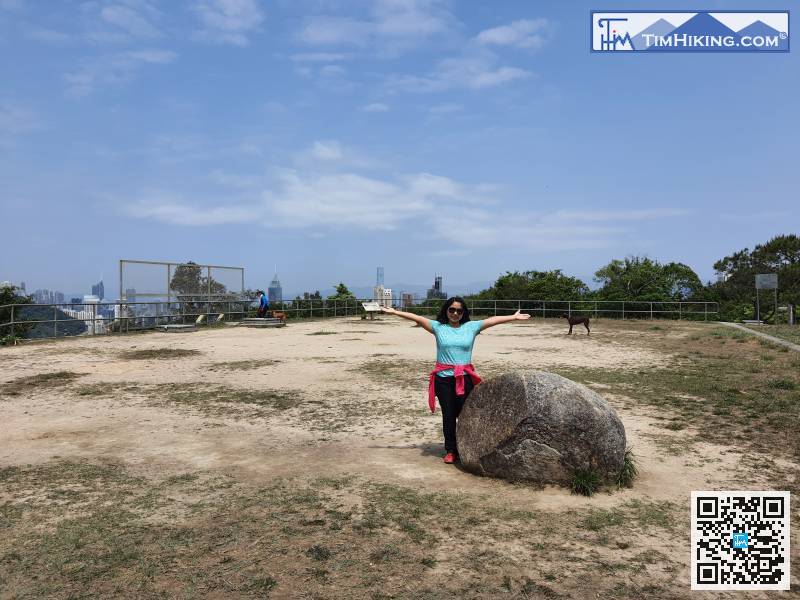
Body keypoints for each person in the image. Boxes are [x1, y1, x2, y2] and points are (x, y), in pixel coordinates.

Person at [380, 297, 531, 464]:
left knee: (466, 414)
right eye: (451, 309)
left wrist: (513, 317)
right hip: (443, 380)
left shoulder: (471, 327)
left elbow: (492, 321)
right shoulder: (438, 327)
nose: (455, 313)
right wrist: (394, 312)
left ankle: (468, 445)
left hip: (465, 378)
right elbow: (417, 318)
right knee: (449, 415)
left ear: (463, 312)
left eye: (459, 310)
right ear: (446, 310)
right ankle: (451, 450)